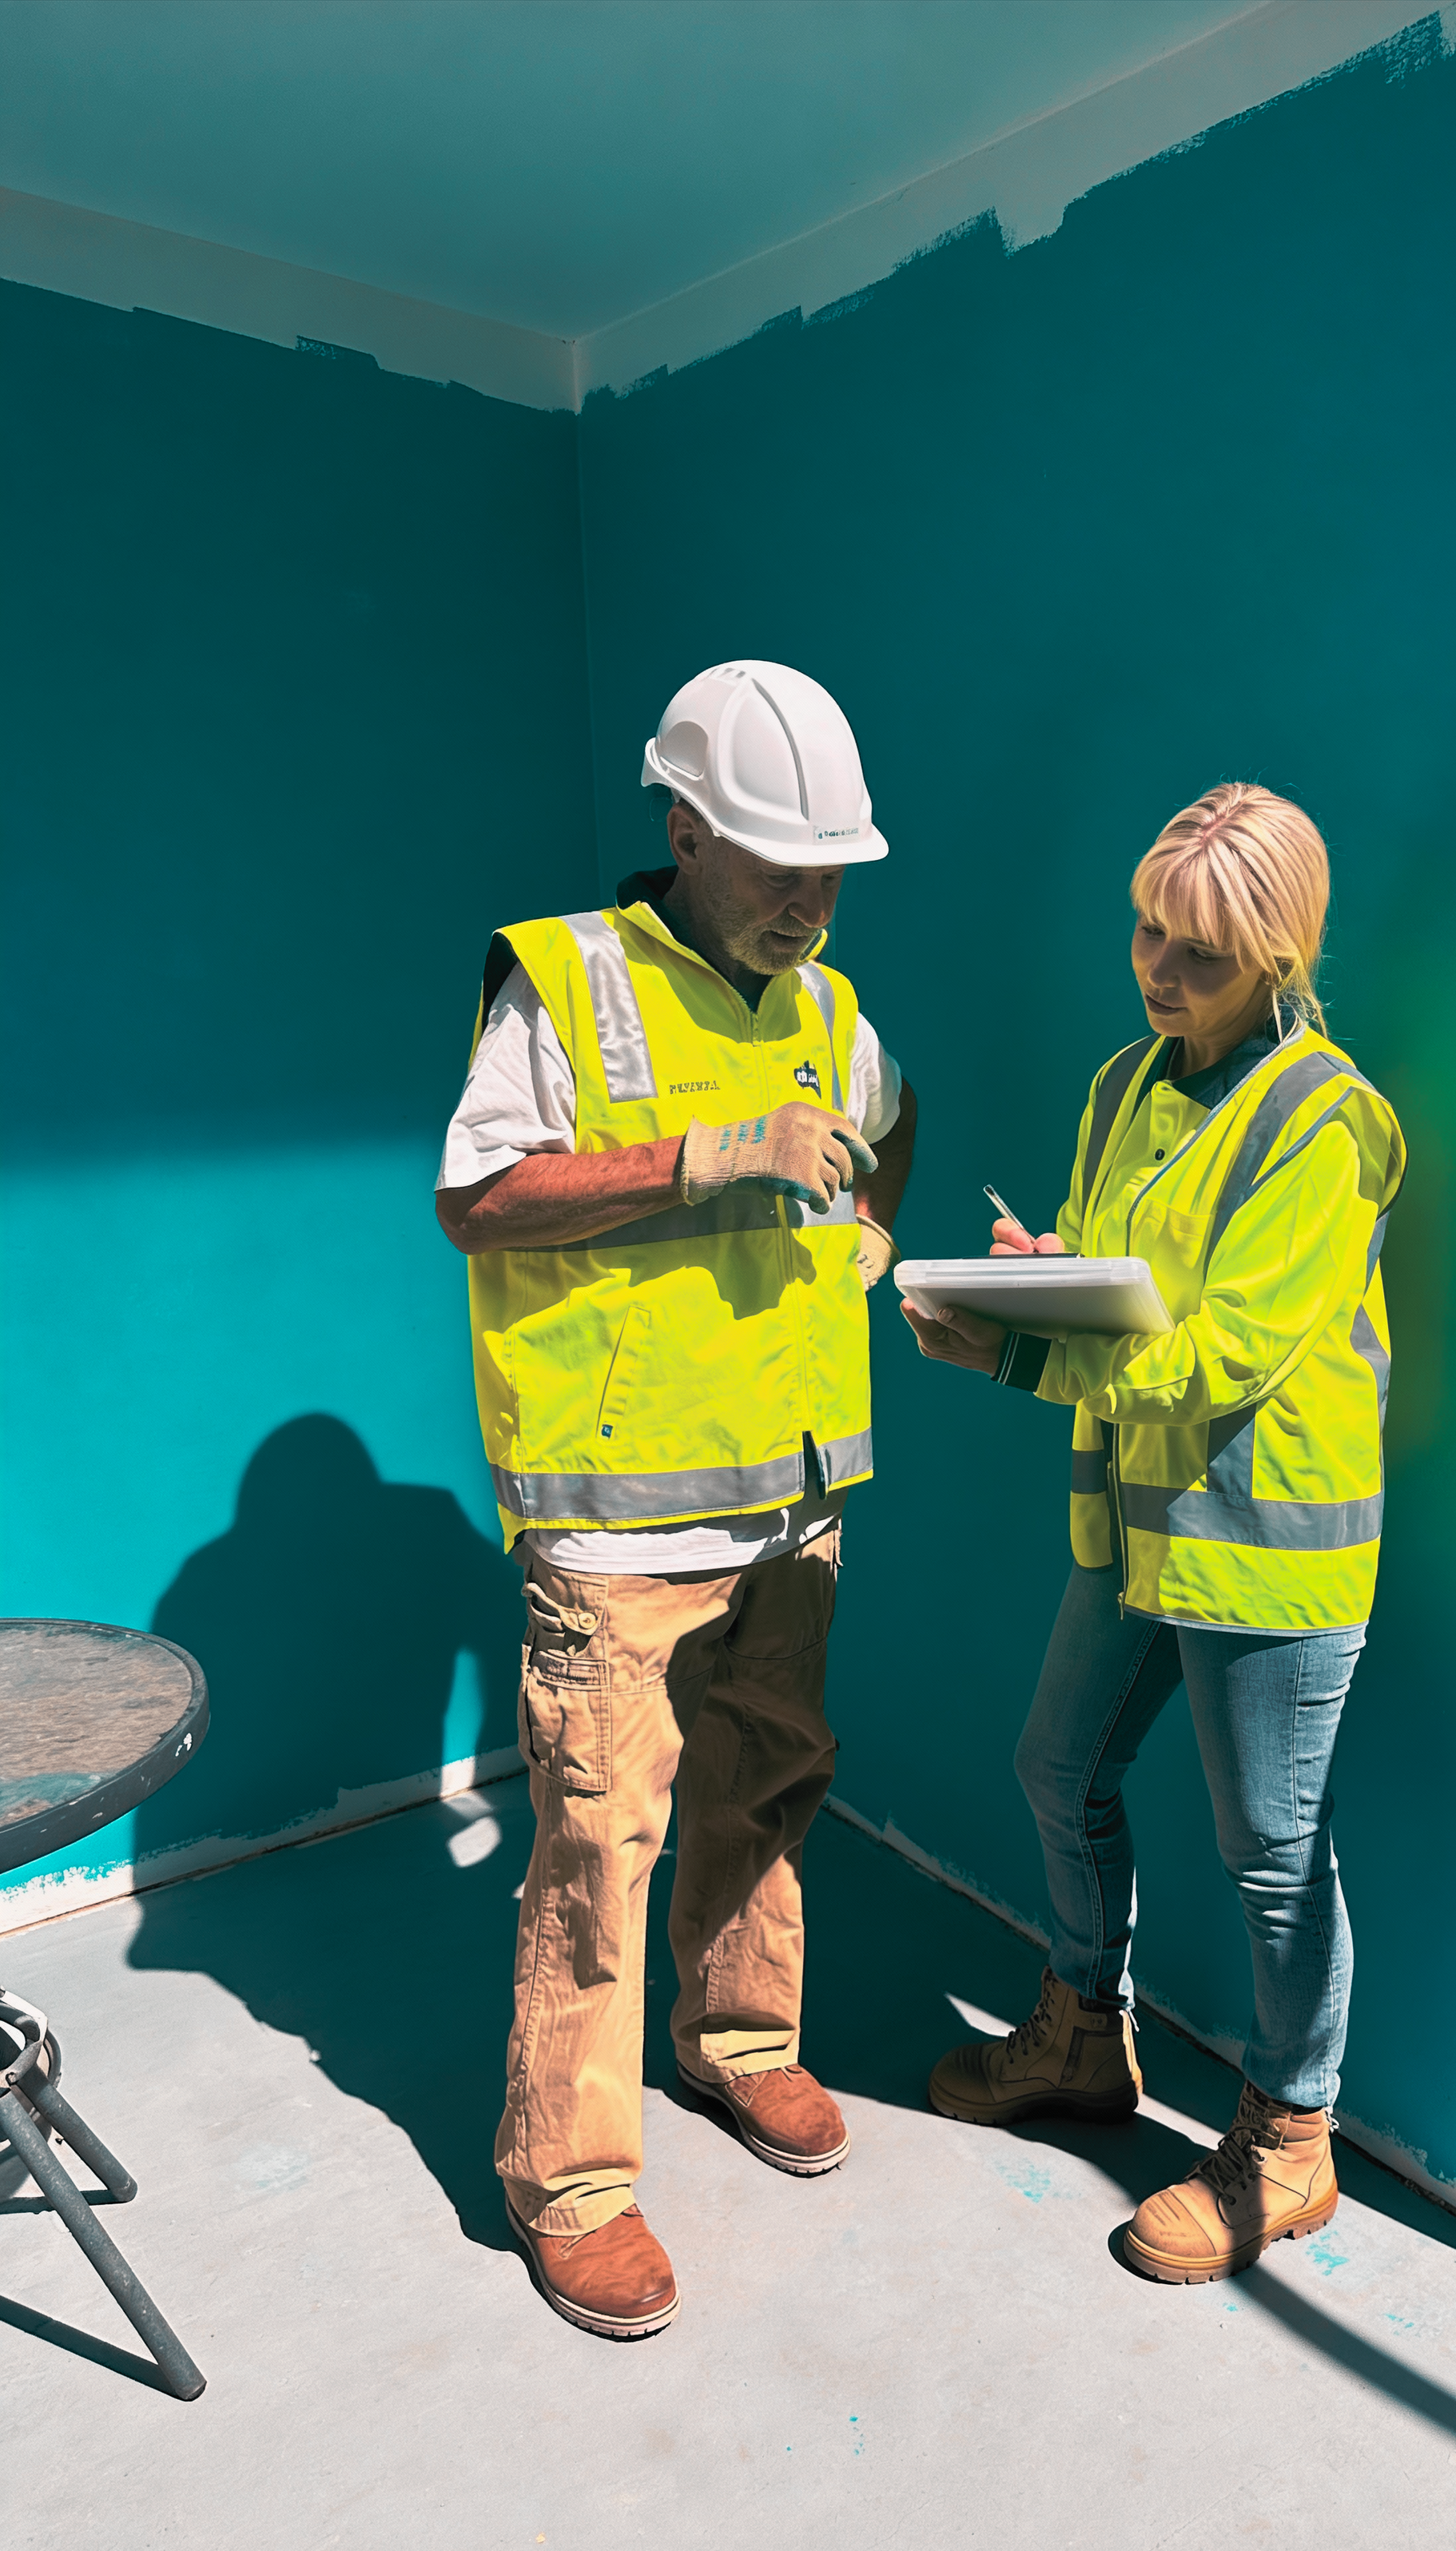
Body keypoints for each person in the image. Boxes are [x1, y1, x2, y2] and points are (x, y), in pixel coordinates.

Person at [435, 660, 917, 2339]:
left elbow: (885, 1130)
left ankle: (741, 2046)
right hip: (618, 1523)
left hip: (788, 1501)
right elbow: (478, 1201)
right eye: (777, 862)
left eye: (829, 868)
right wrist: (700, 1162)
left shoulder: (835, 1013)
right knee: (591, 1842)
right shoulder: (568, 989)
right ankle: (565, 2183)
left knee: (770, 1783)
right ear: (682, 824)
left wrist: (868, 1232)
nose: (807, 900)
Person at [904, 783, 1402, 2286]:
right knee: (1057, 1766)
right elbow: (1137, 1280)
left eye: (1198, 950)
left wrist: (1019, 1353)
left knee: (1274, 1859)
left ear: (1278, 957)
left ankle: (1290, 2142)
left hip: (1267, 1542)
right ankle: (1084, 2033)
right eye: (1145, 929)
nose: (1156, 968)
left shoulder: (1334, 1121)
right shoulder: (1127, 1081)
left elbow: (1227, 1353)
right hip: (1140, 1522)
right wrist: (1043, 1275)